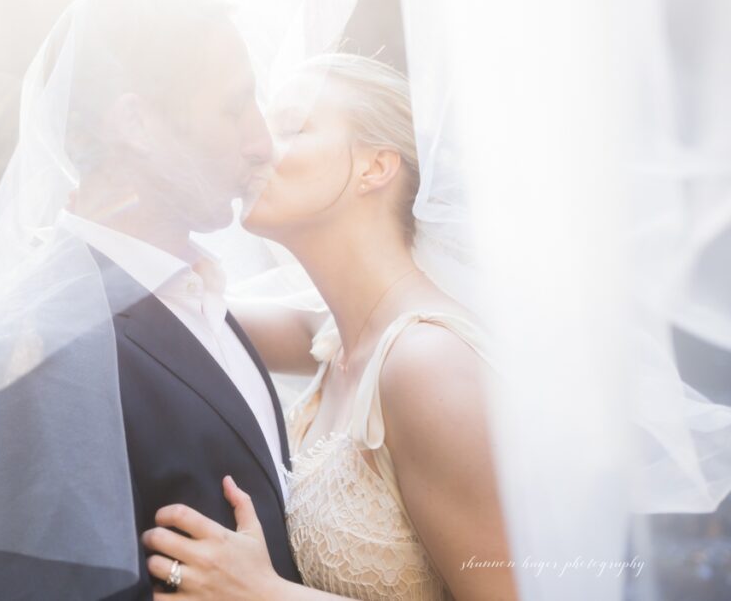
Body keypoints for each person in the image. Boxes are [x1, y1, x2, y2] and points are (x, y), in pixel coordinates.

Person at [0, 0, 355, 600]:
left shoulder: (196, 294)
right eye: (232, 107)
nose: (260, 142)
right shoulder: (33, 356)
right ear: (134, 124)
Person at [141, 54, 518, 600]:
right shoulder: (332, 337)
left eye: (291, 127)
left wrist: (266, 593)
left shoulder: (428, 365)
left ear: (375, 167)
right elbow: (178, 301)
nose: (257, 147)